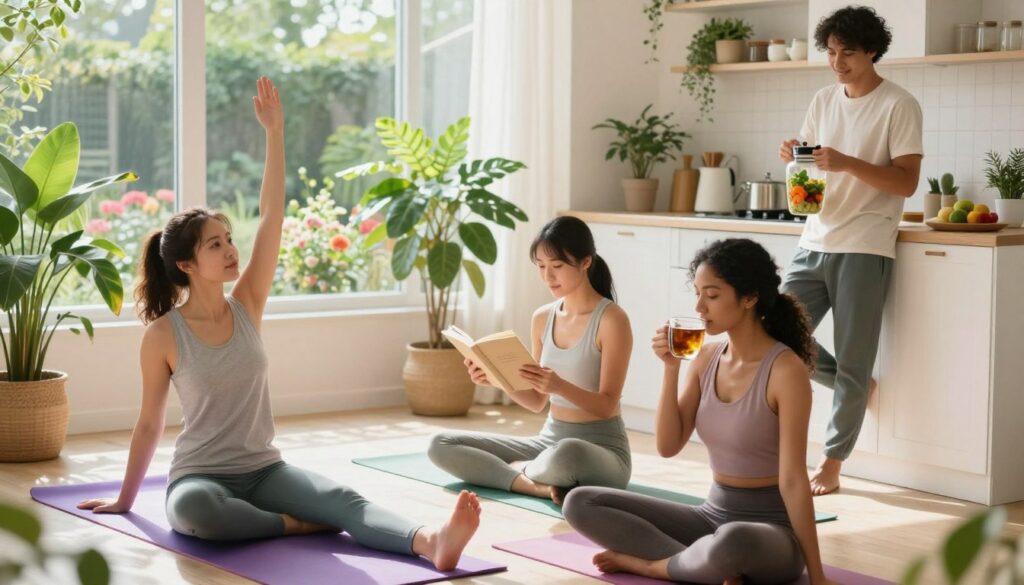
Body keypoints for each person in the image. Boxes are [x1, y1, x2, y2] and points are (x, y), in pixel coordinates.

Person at [77, 77, 480, 571]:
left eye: (228, 239)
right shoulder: (163, 333)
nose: (230, 250)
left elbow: (271, 216)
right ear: (185, 264)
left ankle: (430, 540)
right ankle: (295, 524)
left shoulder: (247, 302)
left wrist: (275, 132)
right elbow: (148, 423)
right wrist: (124, 500)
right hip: (201, 476)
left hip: (265, 471)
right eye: (215, 245)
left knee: (344, 499)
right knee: (196, 512)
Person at [563, 238, 830, 585]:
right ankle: (707, 564)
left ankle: (655, 566)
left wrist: (818, 577)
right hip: (710, 517)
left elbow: (794, 480)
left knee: (733, 540)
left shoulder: (785, 372)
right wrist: (671, 368)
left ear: (749, 298)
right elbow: (667, 446)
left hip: (770, 535)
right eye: (698, 293)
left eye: (713, 295)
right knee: (580, 502)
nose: (700, 307)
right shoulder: (705, 358)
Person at [778, 5, 923, 495]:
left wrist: (845, 161)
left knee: (857, 359)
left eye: (848, 53)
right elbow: (816, 169)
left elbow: (905, 182)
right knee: (773, 331)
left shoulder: (899, 105)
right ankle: (851, 386)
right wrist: (796, 156)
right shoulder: (822, 99)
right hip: (814, 237)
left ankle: (832, 464)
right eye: (831, 52)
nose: (837, 61)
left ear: (873, 51)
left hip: (864, 243)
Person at [428, 216, 633, 505]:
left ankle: (521, 471)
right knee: (441, 444)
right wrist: (496, 378)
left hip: (599, 452)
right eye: (541, 266)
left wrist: (559, 386)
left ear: (586, 262)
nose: (548, 277)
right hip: (547, 444)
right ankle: (533, 485)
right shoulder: (542, 317)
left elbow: (607, 405)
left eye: (557, 266)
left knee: (568, 453)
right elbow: (537, 401)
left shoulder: (612, 320)